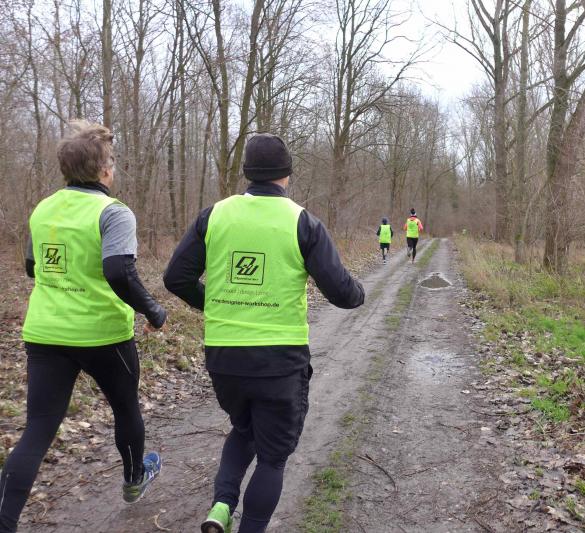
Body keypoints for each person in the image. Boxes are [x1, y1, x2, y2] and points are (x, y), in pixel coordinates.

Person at [163, 133, 364, 533]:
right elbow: (343, 293)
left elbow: (175, 278)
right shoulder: (301, 221)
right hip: (279, 361)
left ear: (247, 173)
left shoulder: (214, 215)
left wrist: (216, 305)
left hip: (224, 357)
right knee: (272, 457)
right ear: (287, 173)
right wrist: (359, 291)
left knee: (244, 430)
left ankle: (221, 506)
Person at [0, 120, 166, 533]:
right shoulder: (114, 212)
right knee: (125, 408)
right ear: (105, 169)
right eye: (112, 161)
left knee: (37, 430)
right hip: (103, 334)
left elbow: (31, 267)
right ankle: (134, 480)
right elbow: (119, 272)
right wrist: (153, 310)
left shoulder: (44, 209)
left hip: (46, 333)